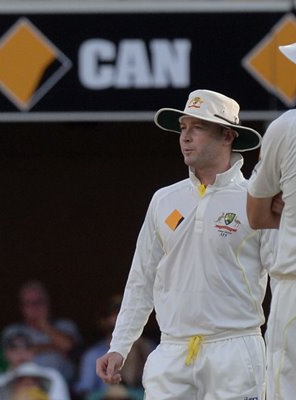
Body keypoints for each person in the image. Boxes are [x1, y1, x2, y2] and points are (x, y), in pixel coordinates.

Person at [96, 89, 276, 399]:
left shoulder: (256, 199)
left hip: (235, 349)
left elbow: (284, 277)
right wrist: (120, 345)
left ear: (227, 136)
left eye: (198, 127)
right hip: (173, 350)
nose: (186, 137)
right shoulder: (164, 200)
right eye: (183, 127)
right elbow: (142, 278)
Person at [246, 42, 296, 400]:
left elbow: (256, 214)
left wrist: (284, 209)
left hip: (293, 286)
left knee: (284, 386)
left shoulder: (286, 126)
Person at [1, 280, 82, 384]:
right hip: (24, 386)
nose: (34, 307)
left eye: (39, 302)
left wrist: (44, 325)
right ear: (21, 308)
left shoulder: (66, 325)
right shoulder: (12, 331)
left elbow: (71, 349)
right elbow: (12, 357)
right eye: (28, 303)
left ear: (48, 304)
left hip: (63, 385)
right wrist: (54, 347)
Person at [74, 296, 150, 400]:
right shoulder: (93, 354)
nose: (120, 317)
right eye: (114, 313)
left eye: (124, 312)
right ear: (103, 320)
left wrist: (140, 347)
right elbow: (84, 390)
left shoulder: (149, 347)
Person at [0, 329, 70, 400]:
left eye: (27, 346)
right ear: (5, 353)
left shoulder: (51, 376)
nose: (21, 352)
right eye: (13, 347)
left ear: (34, 350)